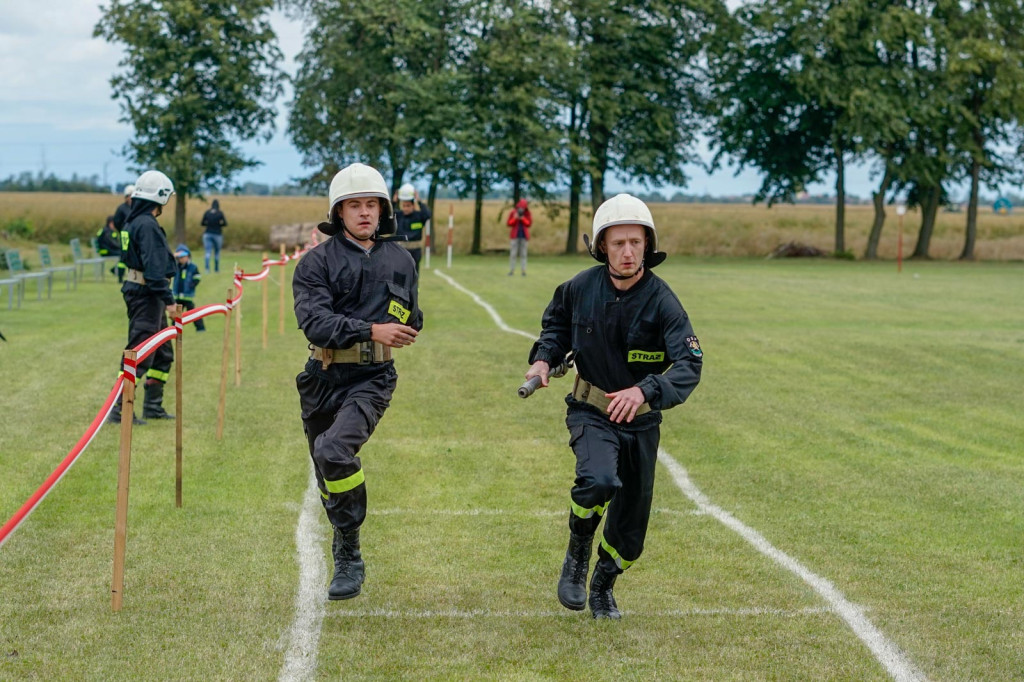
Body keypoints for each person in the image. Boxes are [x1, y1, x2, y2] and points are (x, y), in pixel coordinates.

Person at [524, 193, 703, 620]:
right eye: (618, 242)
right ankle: (577, 552)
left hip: (641, 424)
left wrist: (644, 391)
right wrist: (544, 358)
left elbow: (690, 364)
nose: (627, 252)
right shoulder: (578, 288)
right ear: (602, 245)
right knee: (598, 478)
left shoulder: (664, 302)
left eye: (635, 243)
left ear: (647, 244)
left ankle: (603, 583)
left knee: (630, 533)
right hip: (591, 411)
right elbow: (556, 328)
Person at [293, 162, 423, 601]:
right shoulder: (315, 262)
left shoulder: (401, 260)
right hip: (323, 376)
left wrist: (401, 327)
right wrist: (371, 329)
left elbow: (411, 314)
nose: (365, 212)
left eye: (372, 204)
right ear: (339, 211)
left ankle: (349, 554)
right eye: (355, 205)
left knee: (335, 449)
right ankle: (344, 536)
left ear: (384, 210)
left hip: (373, 378)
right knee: (328, 469)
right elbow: (315, 322)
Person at [106, 170, 178, 425]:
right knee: (139, 352)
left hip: (146, 293)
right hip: (148, 295)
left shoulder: (135, 221)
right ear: (161, 198)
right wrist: (169, 300)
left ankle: (153, 406)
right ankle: (118, 409)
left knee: (162, 354)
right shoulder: (146, 225)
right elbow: (153, 267)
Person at [393, 182, 431, 272]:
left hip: (415, 251)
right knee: (400, 276)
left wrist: (419, 201)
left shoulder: (419, 216)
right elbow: (387, 214)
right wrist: (394, 201)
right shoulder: (398, 215)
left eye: (408, 206)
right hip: (401, 251)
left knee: (414, 276)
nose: (405, 208)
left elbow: (428, 214)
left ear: (413, 206)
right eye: (404, 206)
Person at [172, 244, 205, 332]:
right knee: (175, 315)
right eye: (179, 257)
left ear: (188, 256)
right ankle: (173, 330)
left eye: (183, 257)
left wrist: (192, 284)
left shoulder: (192, 267)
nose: (181, 259)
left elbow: (197, 277)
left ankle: (200, 328)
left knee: (193, 313)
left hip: (187, 295)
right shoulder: (175, 266)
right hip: (177, 296)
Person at [200, 199, 228, 273]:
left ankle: (207, 269)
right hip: (217, 234)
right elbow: (225, 223)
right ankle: (216, 269)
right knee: (217, 252)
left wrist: (208, 224)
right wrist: (219, 225)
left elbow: (202, 223)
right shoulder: (220, 213)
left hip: (207, 233)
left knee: (208, 252)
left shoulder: (207, 212)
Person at [507, 198, 532, 276]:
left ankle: (523, 271)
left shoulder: (527, 213)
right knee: (513, 254)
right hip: (515, 236)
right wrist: (515, 218)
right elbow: (509, 223)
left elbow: (529, 224)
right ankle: (512, 270)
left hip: (524, 236)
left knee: (523, 254)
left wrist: (522, 218)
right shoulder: (513, 212)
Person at [96, 215, 124, 282]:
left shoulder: (107, 230)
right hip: (106, 252)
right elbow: (111, 243)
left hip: (107, 250)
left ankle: (115, 270)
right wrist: (121, 247)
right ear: (111, 223)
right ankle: (118, 275)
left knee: (123, 254)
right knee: (123, 255)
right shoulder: (107, 232)